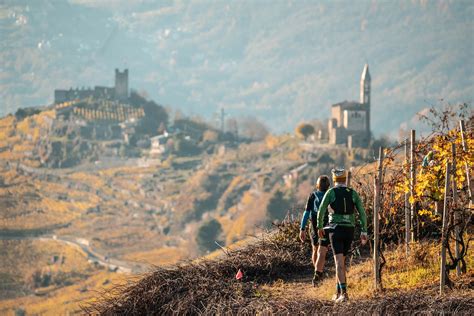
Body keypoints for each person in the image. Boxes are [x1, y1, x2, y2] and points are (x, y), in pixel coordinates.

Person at [317, 168, 368, 303]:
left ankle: (344, 294)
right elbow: (362, 212)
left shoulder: (331, 192)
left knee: (338, 262)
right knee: (342, 262)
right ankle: (338, 292)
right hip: (349, 230)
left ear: (334, 180)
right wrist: (364, 231)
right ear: (345, 179)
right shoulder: (352, 193)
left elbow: (321, 210)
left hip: (336, 229)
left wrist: (319, 226)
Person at [299, 175, 331, 287]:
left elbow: (306, 213)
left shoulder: (312, 196)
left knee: (315, 249)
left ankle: (317, 272)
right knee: (322, 250)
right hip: (326, 225)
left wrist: (302, 229)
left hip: (313, 226)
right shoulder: (330, 194)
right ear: (328, 186)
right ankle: (319, 271)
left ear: (317, 185)